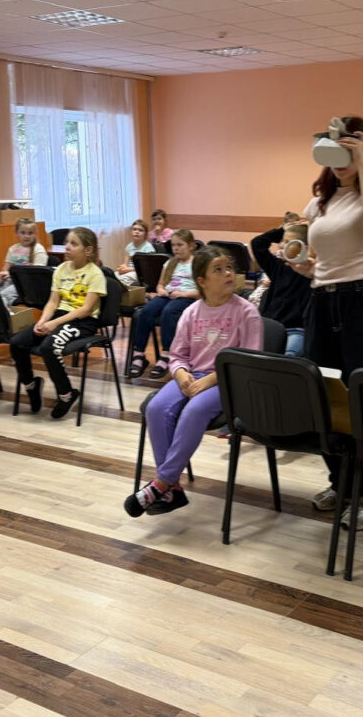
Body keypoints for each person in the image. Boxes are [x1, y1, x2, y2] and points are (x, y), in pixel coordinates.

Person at [290, 114, 363, 530]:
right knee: (324, 395)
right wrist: (306, 267)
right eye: (333, 153)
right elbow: (316, 256)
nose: (338, 163)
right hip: (322, 301)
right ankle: (341, 482)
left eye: (346, 153)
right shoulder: (320, 200)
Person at [125, 246, 263, 517]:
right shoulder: (191, 312)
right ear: (202, 281)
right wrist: (180, 373)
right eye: (218, 270)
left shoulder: (246, 312)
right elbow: (177, 355)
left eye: (229, 268)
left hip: (228, 382)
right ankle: (172, 489)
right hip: (192, 376)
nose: (227, 273)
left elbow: (248, 361)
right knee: (156, 408)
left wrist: (210, 380)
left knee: (194, 410)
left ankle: (162, 482)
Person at [10, 227, 106, 420]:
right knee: (17, 343)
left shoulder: (95, 274)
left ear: (88, 250)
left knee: (49, 347)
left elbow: (86, 310)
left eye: (73, 243)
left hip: (82, 322)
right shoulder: (61, 269)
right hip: (60, 316)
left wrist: (54, 324)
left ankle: (67, 394)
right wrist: (43, 321)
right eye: (67, 242)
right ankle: (31, 386)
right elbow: (53, 302)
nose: (67, 246)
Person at [126, 229, 199, 380]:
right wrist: (161, 291)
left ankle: (166, 354)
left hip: (187, 297)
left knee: (169, 311)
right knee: (145, 312)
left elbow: (202, 291)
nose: (176, 248)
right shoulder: (170, 263)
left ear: (191, 245)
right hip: (169, 295)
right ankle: (139, 354)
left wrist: (184, 294)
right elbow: (160, 285)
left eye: (180, 245)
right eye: (173, 245)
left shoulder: (197, 264)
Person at [250, 214, 311, 357]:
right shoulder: (277, 267)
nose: (282, 245)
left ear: (302, 246)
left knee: (287, 359)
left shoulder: (310, 271)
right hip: (272, 327)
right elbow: (257, 243)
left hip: (296, 330)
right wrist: (282, 230)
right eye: (282, 240)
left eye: (288, 242)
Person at [0, 217, 48, 306]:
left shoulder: (38, 249)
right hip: (11, 281)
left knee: (2, 295)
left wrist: (23, 271)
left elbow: (39, 276)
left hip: (28, 285)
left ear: (35, 234)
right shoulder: (13, 249)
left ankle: (5, 314)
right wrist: (1, 277)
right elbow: (6, 268)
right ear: (17, 233)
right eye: (23, 233)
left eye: (30, 233)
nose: (26, 236)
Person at [116, 219, 155, 288]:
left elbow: (147, 268)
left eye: (140, 230)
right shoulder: (129, 246)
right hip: (129, 271)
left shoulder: (148, 247)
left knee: (123, 279)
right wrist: (122, 268)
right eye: (134, 229)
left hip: (141, 273)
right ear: (131, 231)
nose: (137, 232)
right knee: (114, 276)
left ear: (145, 234)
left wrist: (128, 269)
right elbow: (125, 263)